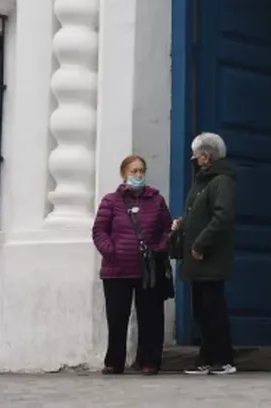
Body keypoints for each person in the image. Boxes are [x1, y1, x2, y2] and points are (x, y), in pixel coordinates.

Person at [92, 154, 172, 375]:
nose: (138, 175)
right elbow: (99, 231)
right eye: (133, 171)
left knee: (150, 316)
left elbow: (167, 228)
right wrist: (111, 251)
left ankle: (149, 361)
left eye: (141, 171)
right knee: (117, 316)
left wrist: (159, 247)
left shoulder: (156, 200)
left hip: (148, 269)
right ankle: (114, 361)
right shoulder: (111, 201)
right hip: (116, 269)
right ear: (123, 174)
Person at [172, 132, 238, 376]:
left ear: (207, 156)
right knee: (201, 310)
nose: (194, 159)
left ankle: (223, 359)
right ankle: (207, 358)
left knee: (213, 309)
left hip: (208, 257)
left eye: (198, 155)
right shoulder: (203, 182)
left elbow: (223, 217)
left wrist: (201, 244)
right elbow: (200, 214)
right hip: (197, 259)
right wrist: (184, 224)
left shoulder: (221, 181)